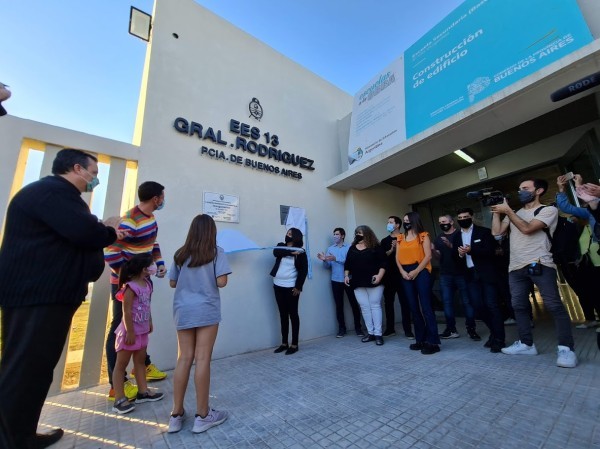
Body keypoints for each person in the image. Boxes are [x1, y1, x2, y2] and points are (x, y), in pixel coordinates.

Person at [0, 148, 121, 448]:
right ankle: (11, 439)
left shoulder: (58, 197)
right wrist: (109, 229)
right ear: (77, 168)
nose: (95, 180)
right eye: (94, 173)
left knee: (36, 370)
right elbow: (86, 233)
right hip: (37, 297)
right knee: (25, 369)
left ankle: (21, 434)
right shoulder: (52, 193)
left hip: (45, 296)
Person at [491, 178, 577, 368]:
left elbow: (528, 228)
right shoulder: (515, 212)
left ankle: (566, 349)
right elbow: (497, 233)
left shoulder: (548, 210)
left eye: (525, 188)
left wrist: (508, 212)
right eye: (519, 188)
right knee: (519, 306)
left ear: (538, 191)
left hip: (540, 263)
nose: (520, 191)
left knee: (554, 305)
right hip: (515, 267)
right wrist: (497, 212)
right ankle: (526, 344)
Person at [168, 214, 232, 434]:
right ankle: (203, 415)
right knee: (202, 358)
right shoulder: (216, 252)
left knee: (184, 358)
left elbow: (172, 282)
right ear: (211, 231)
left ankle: (176, 415)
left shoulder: (180, 254)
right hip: (206, 309)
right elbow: (221, 282)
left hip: (183, 310)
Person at [104, 181, 168, 401]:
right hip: (126, 284)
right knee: (120, 327)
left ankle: (142, 367)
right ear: (155, 199)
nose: (163, 200)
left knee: (140, 323)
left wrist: (159, 264)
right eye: (162, 197)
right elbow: (111, 252)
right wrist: (130, 278)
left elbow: (153, 244)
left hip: (142, 281)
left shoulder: (150, 219)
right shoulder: (130, 221)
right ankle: (117, 384)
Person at [112, 254, 164, 414]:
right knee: (121, 365)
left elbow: (146, 305)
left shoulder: (147, 284)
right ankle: (119, 399)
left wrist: (149, 321)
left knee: (140, 362)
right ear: (144, 269)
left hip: (142, 332)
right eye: (151, 264)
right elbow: (126, 311)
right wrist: (130, 331)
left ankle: (143, 392)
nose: (154, 266)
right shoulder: (130, 287)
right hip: (129, 333)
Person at [453, 208, 505, 353]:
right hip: (470, 276)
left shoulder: (484, 232)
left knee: (492, 305)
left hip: (486, 275)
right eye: (460, 217)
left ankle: (499, 339)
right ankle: (494, 333)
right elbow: (455, 258)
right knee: (478, 306)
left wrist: (471, 250)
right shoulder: (457, 236)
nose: (463, 219)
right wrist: (460, 254)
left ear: (472, 217)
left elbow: (491, 251)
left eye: (465, 216)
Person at [556, 174, 600, 328]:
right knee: (594, 292)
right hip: (593, 265)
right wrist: (563, 189)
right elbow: (566, 207)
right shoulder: (589, 213)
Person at [396, 212, 441, 354]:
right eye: (404, 221)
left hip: (421, 270)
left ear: (414, 221)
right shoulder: (400, 238)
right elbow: (397, 258)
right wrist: (402, 272)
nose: (406, 223)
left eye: (408, 220)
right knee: (413, 307)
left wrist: (416, 271)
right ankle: (420, 339)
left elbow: (428, 256)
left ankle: (433, 342)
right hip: (406, 272)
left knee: (426, 307)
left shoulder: (423, 235)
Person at [433, 214, 479, 341]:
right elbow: (438, 258)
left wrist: (450, 245)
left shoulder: (460, 235)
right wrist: (433, 251)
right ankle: (451, 329)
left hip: (461, 273)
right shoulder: (438, 238)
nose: (442, 223)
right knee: (447, 303)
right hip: (445, 274)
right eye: (440, 222)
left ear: (452, 222)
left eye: (444, 221)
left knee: (467, 302)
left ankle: (471, 329)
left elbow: (466, 253)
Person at [317, 227, 364, 338]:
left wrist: (335, 258)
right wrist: (325, 260)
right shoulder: (330, 249)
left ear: (342, 236)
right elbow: (327, 267)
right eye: (334, 234)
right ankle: (342, 329)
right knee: (339, 306)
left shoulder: (350, 248)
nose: (335, 236)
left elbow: (350, 263)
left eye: (337, 234)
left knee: (354, 304)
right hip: (335, 280)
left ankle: (358, 328)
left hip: (349, 279)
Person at [344, 226, 386, 345]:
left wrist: (379, 276)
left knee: (375, 305)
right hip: (357, 282)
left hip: (374, 281)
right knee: (364, 307)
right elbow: (347, 264)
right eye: (356, 233)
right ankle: (370, 333)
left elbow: (384, 263)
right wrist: (346, 276)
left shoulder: (376, 247)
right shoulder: (352, 248)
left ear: (367, 234)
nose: (358, 235)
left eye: (360, 233)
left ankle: (378, 334)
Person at [270, 228, 308, 355]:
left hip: (291, 287)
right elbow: (276, 252)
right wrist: (291, 253)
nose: (288, 235)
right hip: (277, 285)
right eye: (287, 233)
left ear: (296, 237)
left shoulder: (301, 252)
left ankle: (294, 344)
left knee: (293, 314)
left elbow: (303, 271)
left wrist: (298, 287)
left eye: (290, 234)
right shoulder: (281, 246)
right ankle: (284, 343)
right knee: (282, 314)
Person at [381, 216, 413, 339]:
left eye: (391, 222)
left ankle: (408, 330)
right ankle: (390, 329)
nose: (388, 224)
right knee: (388, 303)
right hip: (389, 276)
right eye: (387, 222)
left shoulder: (405, 238)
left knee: (405, 302)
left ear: (398, 225)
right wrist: (392, 249)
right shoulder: (384, 241)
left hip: (403, 275)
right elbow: (382, 257)